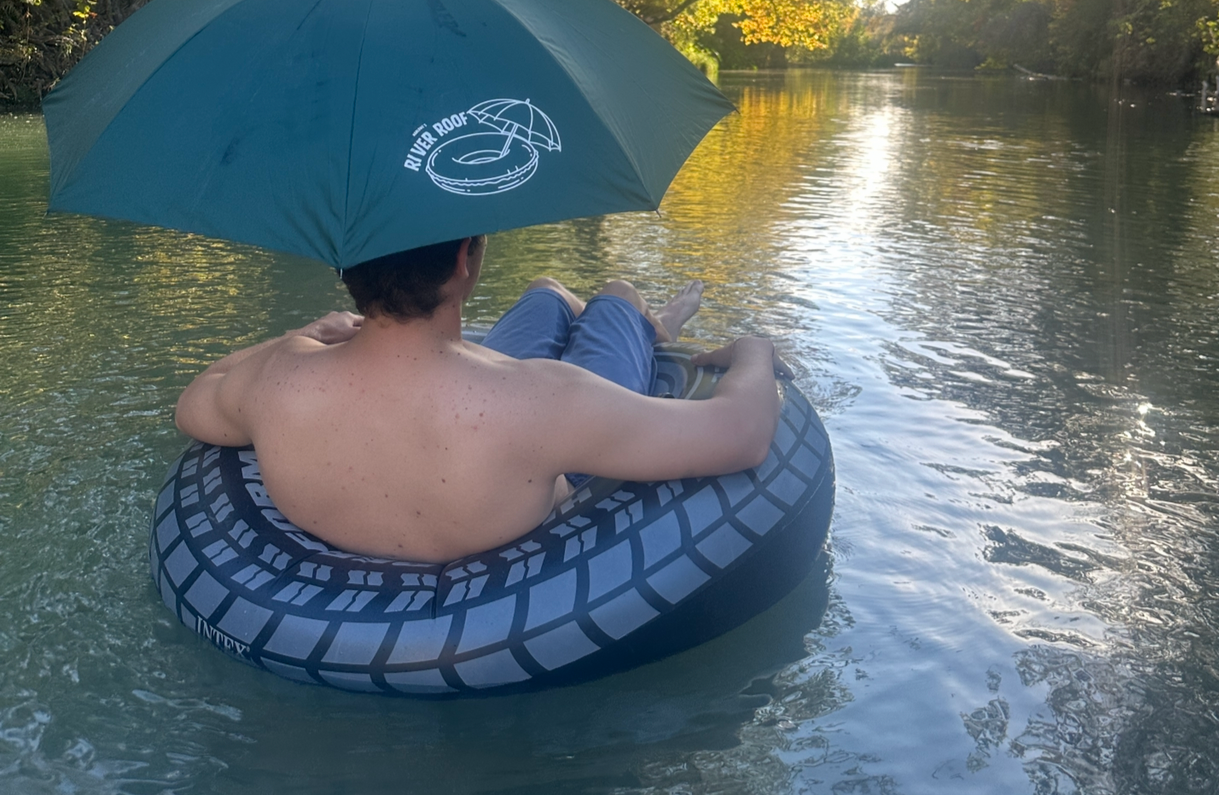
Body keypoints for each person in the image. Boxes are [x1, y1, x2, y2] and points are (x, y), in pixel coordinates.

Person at [175, 235, 786, 562]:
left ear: (346, 268)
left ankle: (597, 309)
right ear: (464, 260)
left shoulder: (280, 377)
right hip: (529, 446)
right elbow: (742, 433)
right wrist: (754, 352)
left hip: (475, 401)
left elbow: (194, 401)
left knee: (546, 290)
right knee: (617, 294)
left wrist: (306, 332)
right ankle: (644, 324)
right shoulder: (546, 400)